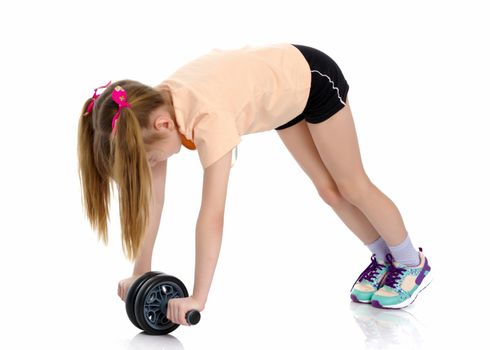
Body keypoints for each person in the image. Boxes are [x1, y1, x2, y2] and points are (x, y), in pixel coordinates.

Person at [77, 43, 432, 326]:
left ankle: (410, 263)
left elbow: (212, 215)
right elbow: (153, 203)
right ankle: (385, 259)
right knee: (328, 191)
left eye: (153, 159)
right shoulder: (152, 112)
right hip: (285, 100)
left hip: (312, 79)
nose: (158, 165)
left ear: (164, 126)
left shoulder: (208, 119)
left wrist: (198, 298)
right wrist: (140, 272)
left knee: (352, 184)